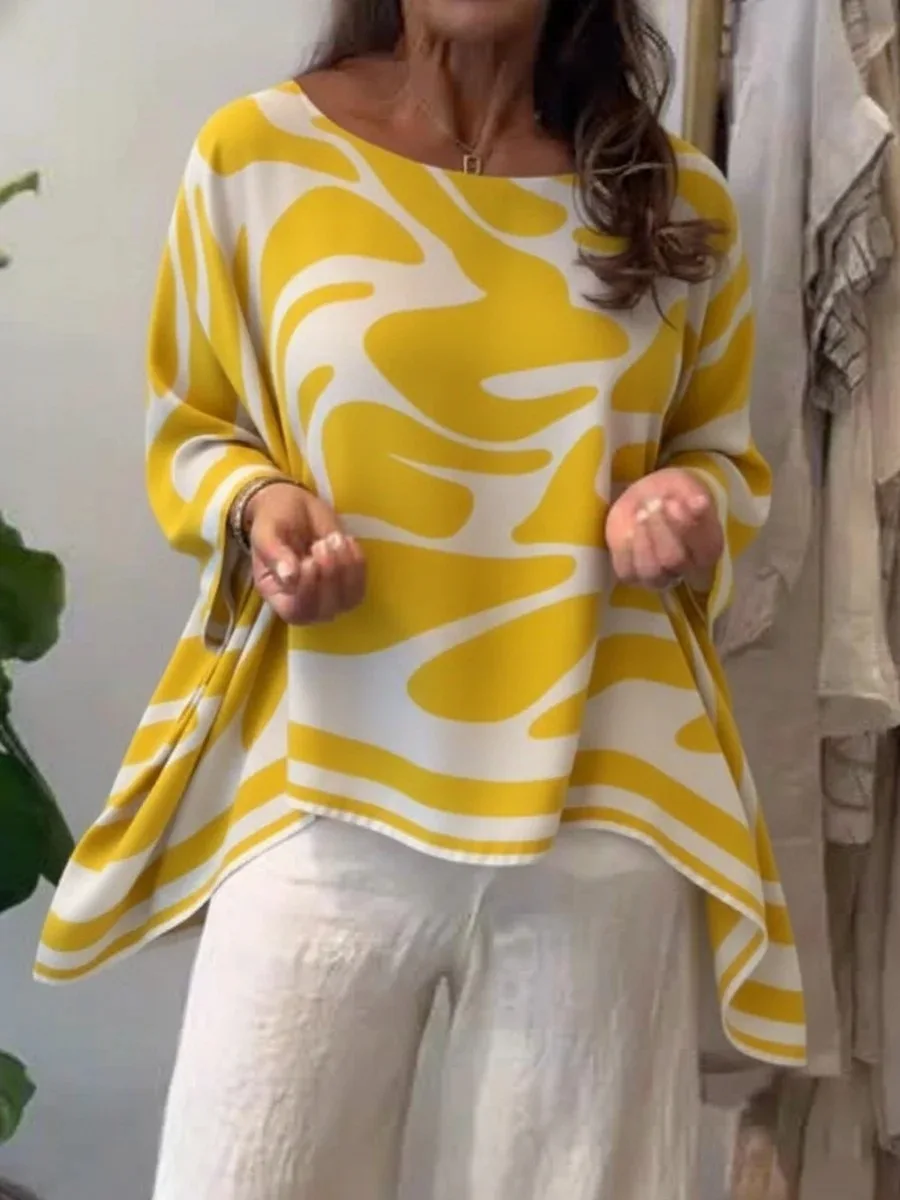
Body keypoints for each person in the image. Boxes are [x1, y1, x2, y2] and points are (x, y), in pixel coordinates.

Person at [37, 0, 807, 1196]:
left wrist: (683, 505)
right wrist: (260, 505)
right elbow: (195, 426)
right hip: (321, 776)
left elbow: (718, 453)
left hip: (603, 796)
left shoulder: (672, 197)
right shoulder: (256, 156)